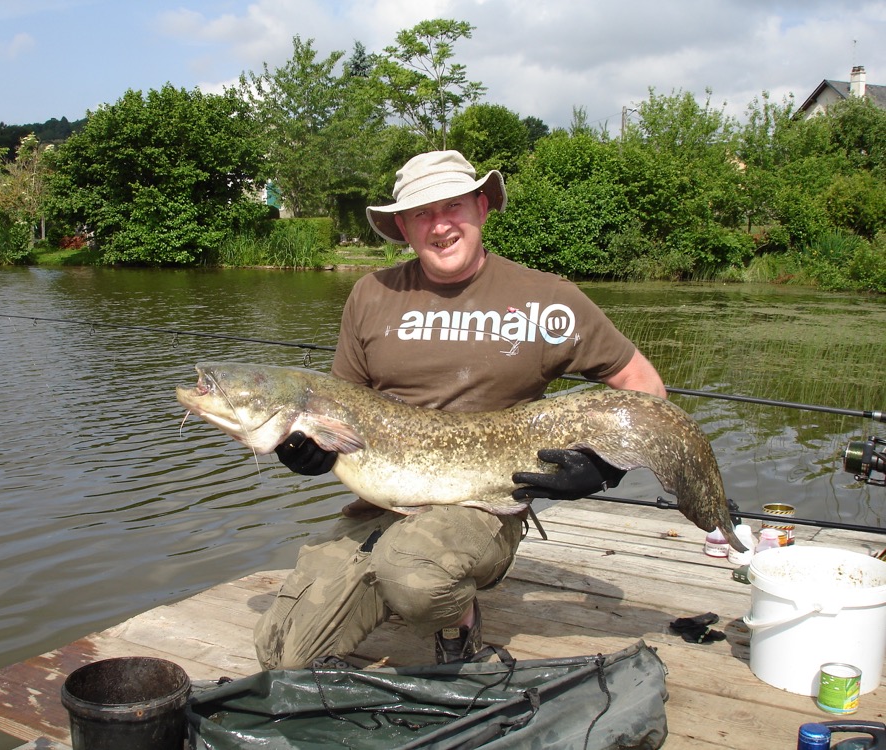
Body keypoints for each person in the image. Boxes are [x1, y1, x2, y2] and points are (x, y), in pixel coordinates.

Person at [254, 150, 666, 670]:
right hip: (383, 502)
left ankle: (457, 619)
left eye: (453, 206)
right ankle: (389, 583)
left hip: (481, 502)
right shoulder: (371, 295)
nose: (440, 225)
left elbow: (644, 388)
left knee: (413, 574)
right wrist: (309, 450)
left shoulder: (547, 298)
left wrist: (606, 467)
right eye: (422, 213)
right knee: (281, 655)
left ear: (481, 207)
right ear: (402, 225)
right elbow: (340, 408)